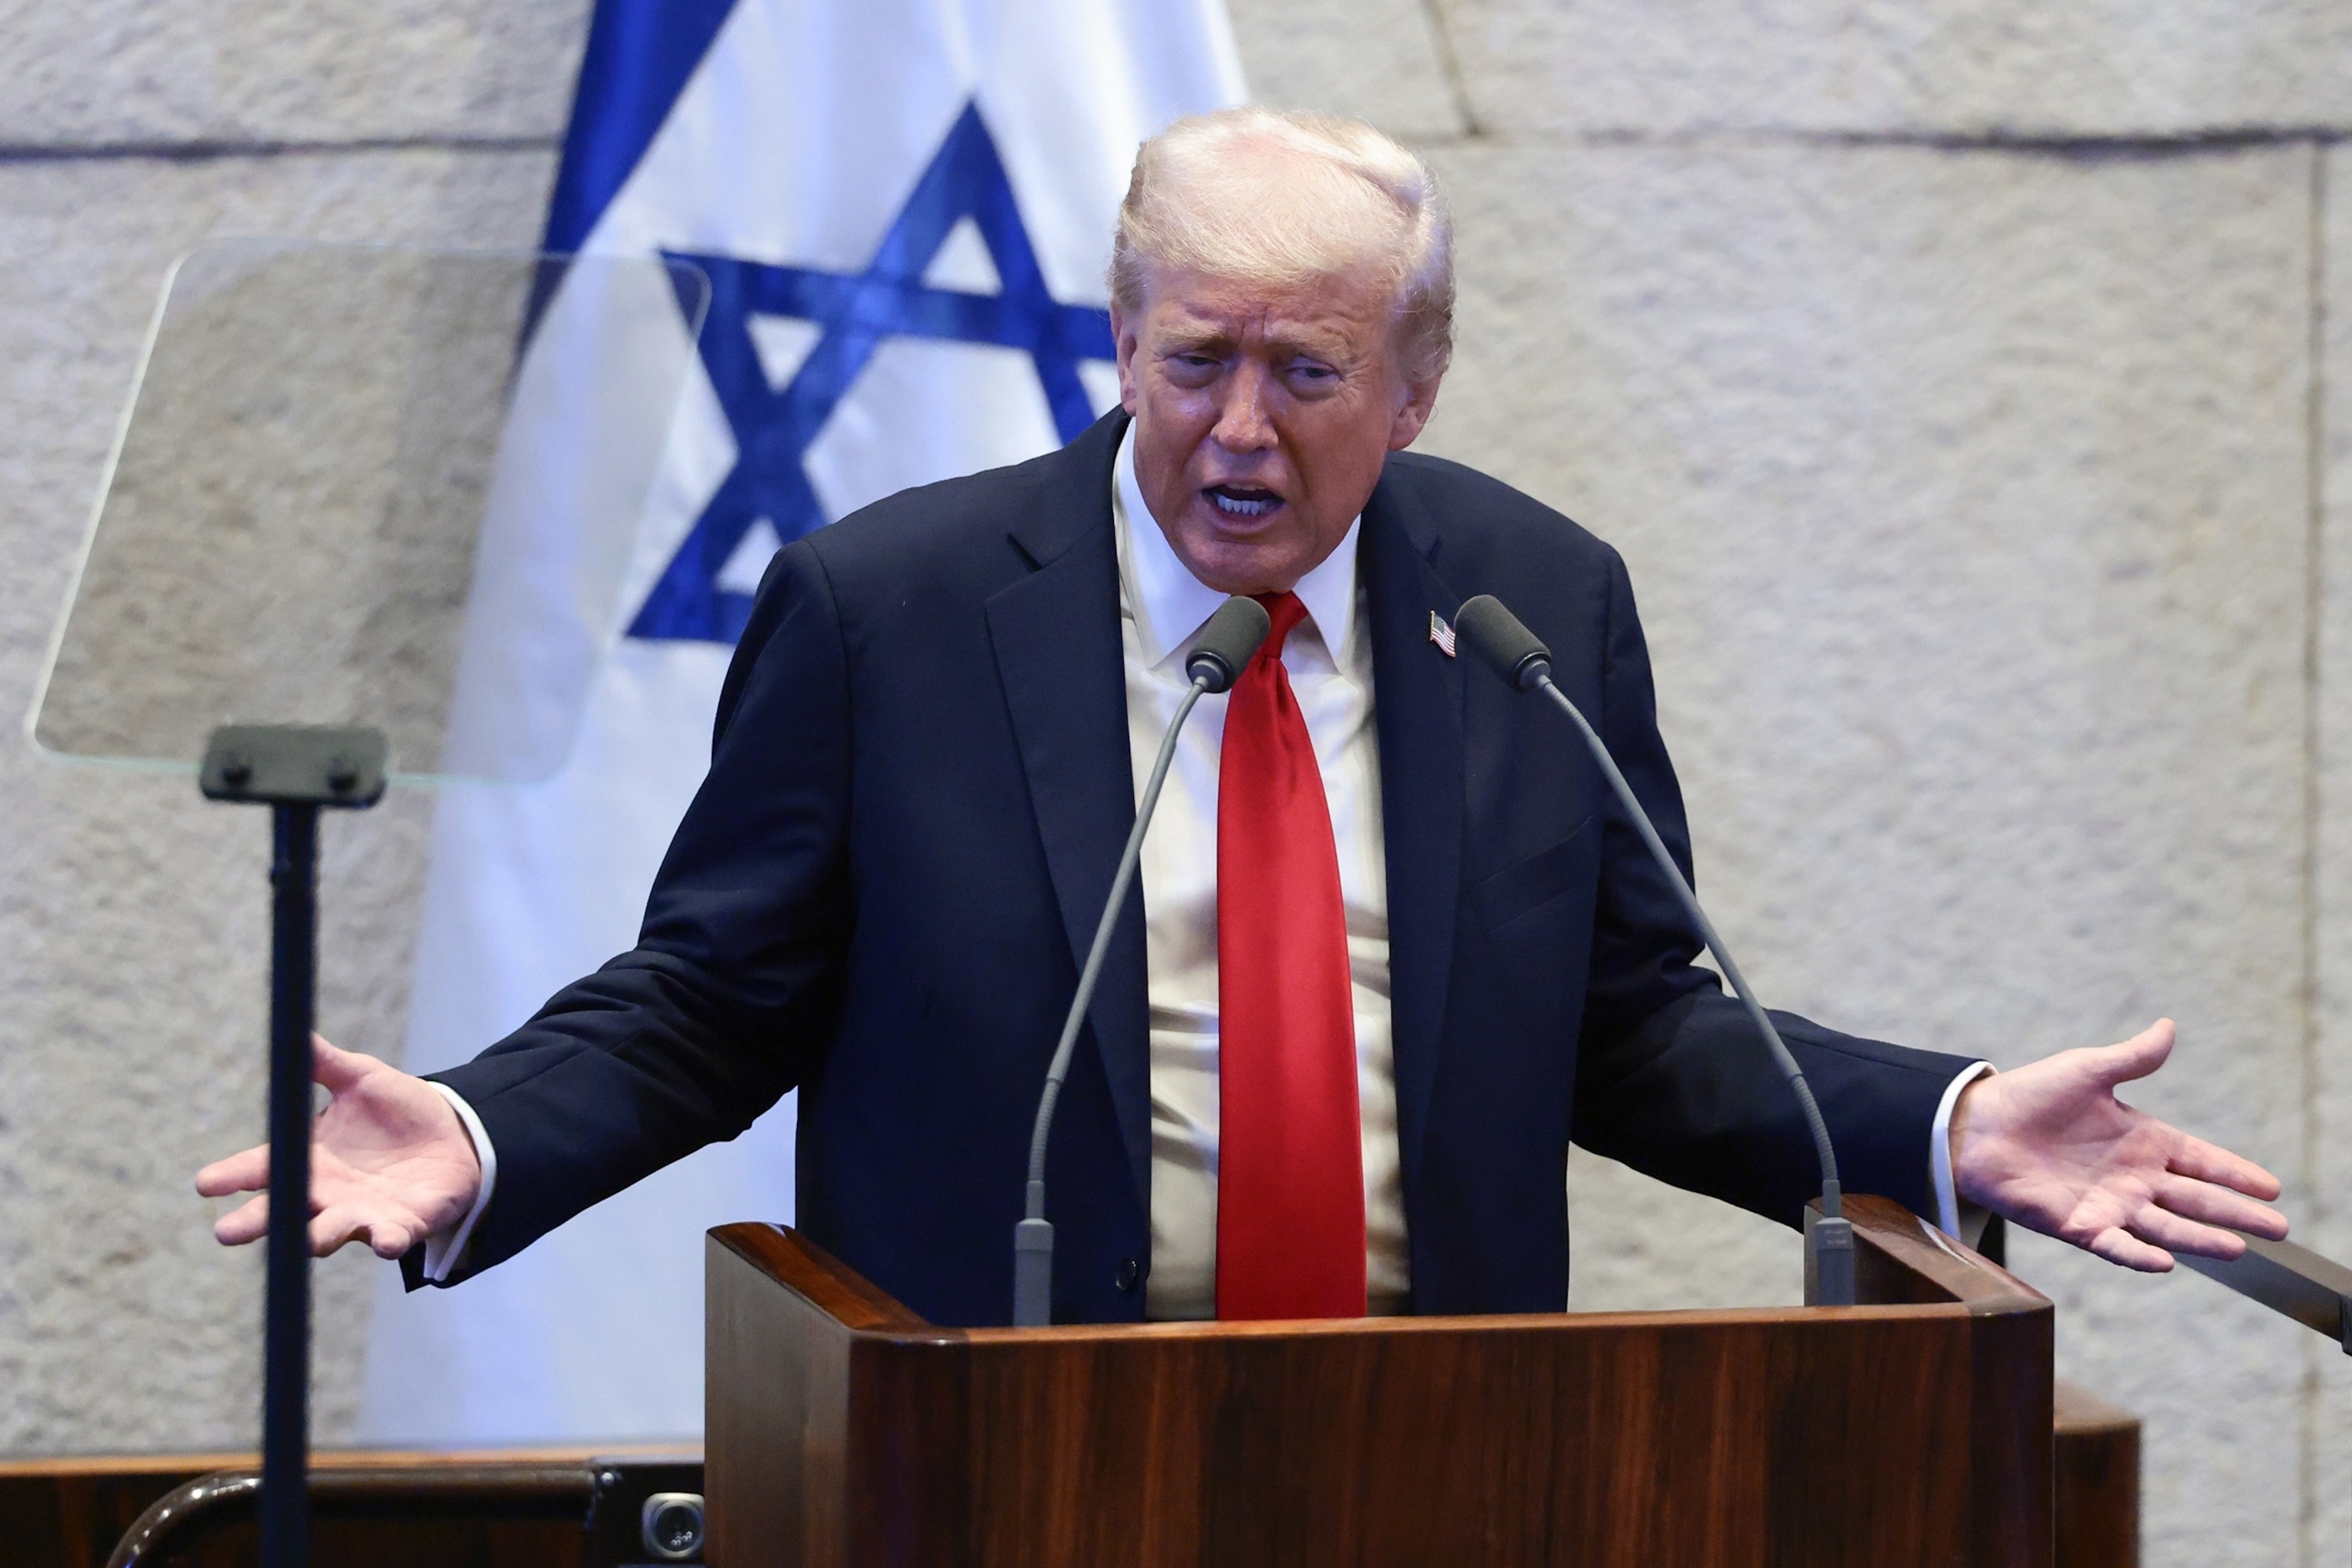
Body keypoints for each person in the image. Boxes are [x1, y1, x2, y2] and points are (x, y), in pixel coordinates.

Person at [198, 108, 2286, 1326]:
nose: (1238, 433)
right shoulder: (893, 611)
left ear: (1418, 383)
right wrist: (476, 1128)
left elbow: (1634, 1022)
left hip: (1442, 1450)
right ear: (1118, 334)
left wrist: (1939, 1120)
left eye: (1309, 374)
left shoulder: (1529, 605)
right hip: (1005, 1449)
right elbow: (711, 999)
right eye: (1194, 358)